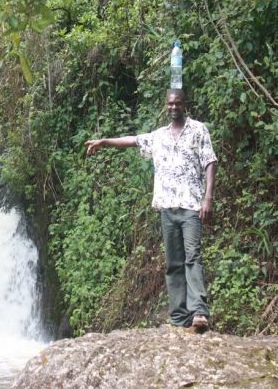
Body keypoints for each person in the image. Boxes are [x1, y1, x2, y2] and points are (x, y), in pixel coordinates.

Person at [84, 88, 217, 330]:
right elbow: (133, 140)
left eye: (177, 103)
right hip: (166, 208)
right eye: (169, 104)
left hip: (190, 206)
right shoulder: (159, 136)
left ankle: (199, 312)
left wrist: (208, 198)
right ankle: (179, 317)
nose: (173, 107)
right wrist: (104, 142)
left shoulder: (198, 130)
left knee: (193, 256)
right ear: (165, 106)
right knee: (173, 262)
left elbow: (210, 162)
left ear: (184, 104)